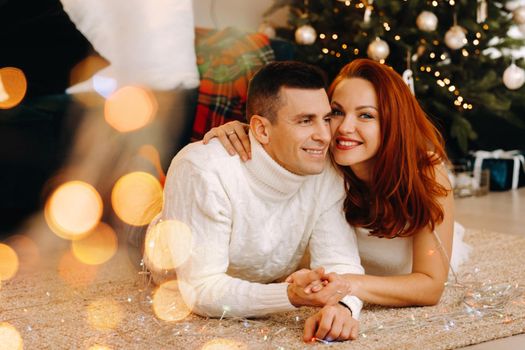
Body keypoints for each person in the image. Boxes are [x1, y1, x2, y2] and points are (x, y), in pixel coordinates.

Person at [203, 58, 471, 309]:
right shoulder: (320, 159)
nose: (344, 128)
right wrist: (246, 131)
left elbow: (430, 286)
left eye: (366, 115)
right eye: (336, 112)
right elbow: (280, 139)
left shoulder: (424, 172)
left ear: (392, 122)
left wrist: (347, 285)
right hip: (334, 270)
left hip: (397, 276)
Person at [149, 61, 366, 342]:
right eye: (305, 120)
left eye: (326, 118)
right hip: (161, 251)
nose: (325, 136)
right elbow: (200, 290)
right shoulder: (203, 171)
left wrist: (342, 306)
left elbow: (341, 261)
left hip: (260, 270)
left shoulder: (326, 171)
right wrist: (288, 296)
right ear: (262, 130)